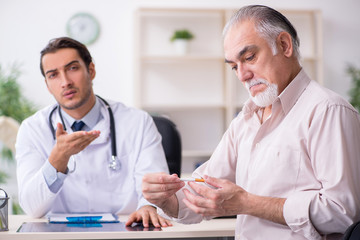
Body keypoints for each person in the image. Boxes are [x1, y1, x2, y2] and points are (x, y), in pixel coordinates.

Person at [142, 5, 360, 239]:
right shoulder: (245, 120)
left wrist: (248, 203)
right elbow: (203, 192)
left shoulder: (328, 111)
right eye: (235, 66)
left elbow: (343, 213)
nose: (242, 75)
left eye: (249, 57)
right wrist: (165, 199)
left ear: (284, 45)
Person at [16, 37, 172, 228]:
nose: (65, 82)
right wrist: (57, 159)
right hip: (59, 236)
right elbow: (32, 209)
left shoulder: (138, 122)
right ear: (48, 85)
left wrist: (149, 207)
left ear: (91, 70)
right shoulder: (32, 129)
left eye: (72, 68)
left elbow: (155, 186)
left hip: (127, 232)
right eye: (53, 75)